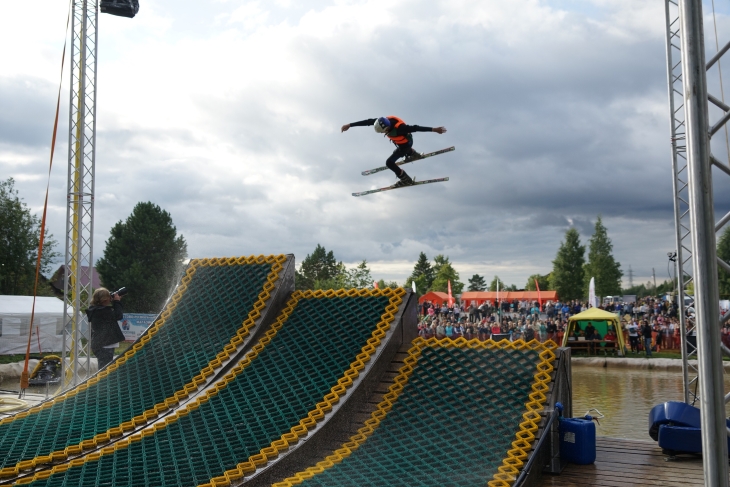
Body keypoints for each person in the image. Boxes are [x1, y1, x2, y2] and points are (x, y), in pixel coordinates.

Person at [341, 116, 447, 187]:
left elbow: (416, 128)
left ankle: (405, 179)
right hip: (403, 144)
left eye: (383, 132)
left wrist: (434, 129)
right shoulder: (380, 122)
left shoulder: (401, 128)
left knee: (389, 163)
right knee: (401, 149)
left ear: (386, 128)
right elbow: (367, 122)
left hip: (406, 145)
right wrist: (350, 125)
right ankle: (413, 154)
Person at [86, 287, 125, 370]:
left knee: (105, 368)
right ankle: (102, 383)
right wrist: (117, 301)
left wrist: (115, 302)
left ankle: (103, 382)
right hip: (104, 345)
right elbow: (118, 315)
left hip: (101, 344)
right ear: (104, 299)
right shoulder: (101, 311)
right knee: (104, 370)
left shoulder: (95, 310)